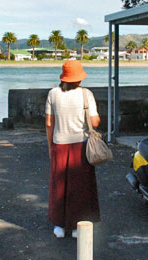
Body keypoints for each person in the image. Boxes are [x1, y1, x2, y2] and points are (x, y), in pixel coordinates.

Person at [45, 60, 101, 238]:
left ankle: (59, 226)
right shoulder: (86, 94)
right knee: (81, 186)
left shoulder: (53, 94)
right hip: (81, 145)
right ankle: (78, 227)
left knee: (59, 185)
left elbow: (49, 123)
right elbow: (94, 122)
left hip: (59, 143)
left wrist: (50, 146)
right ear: (79, 78)